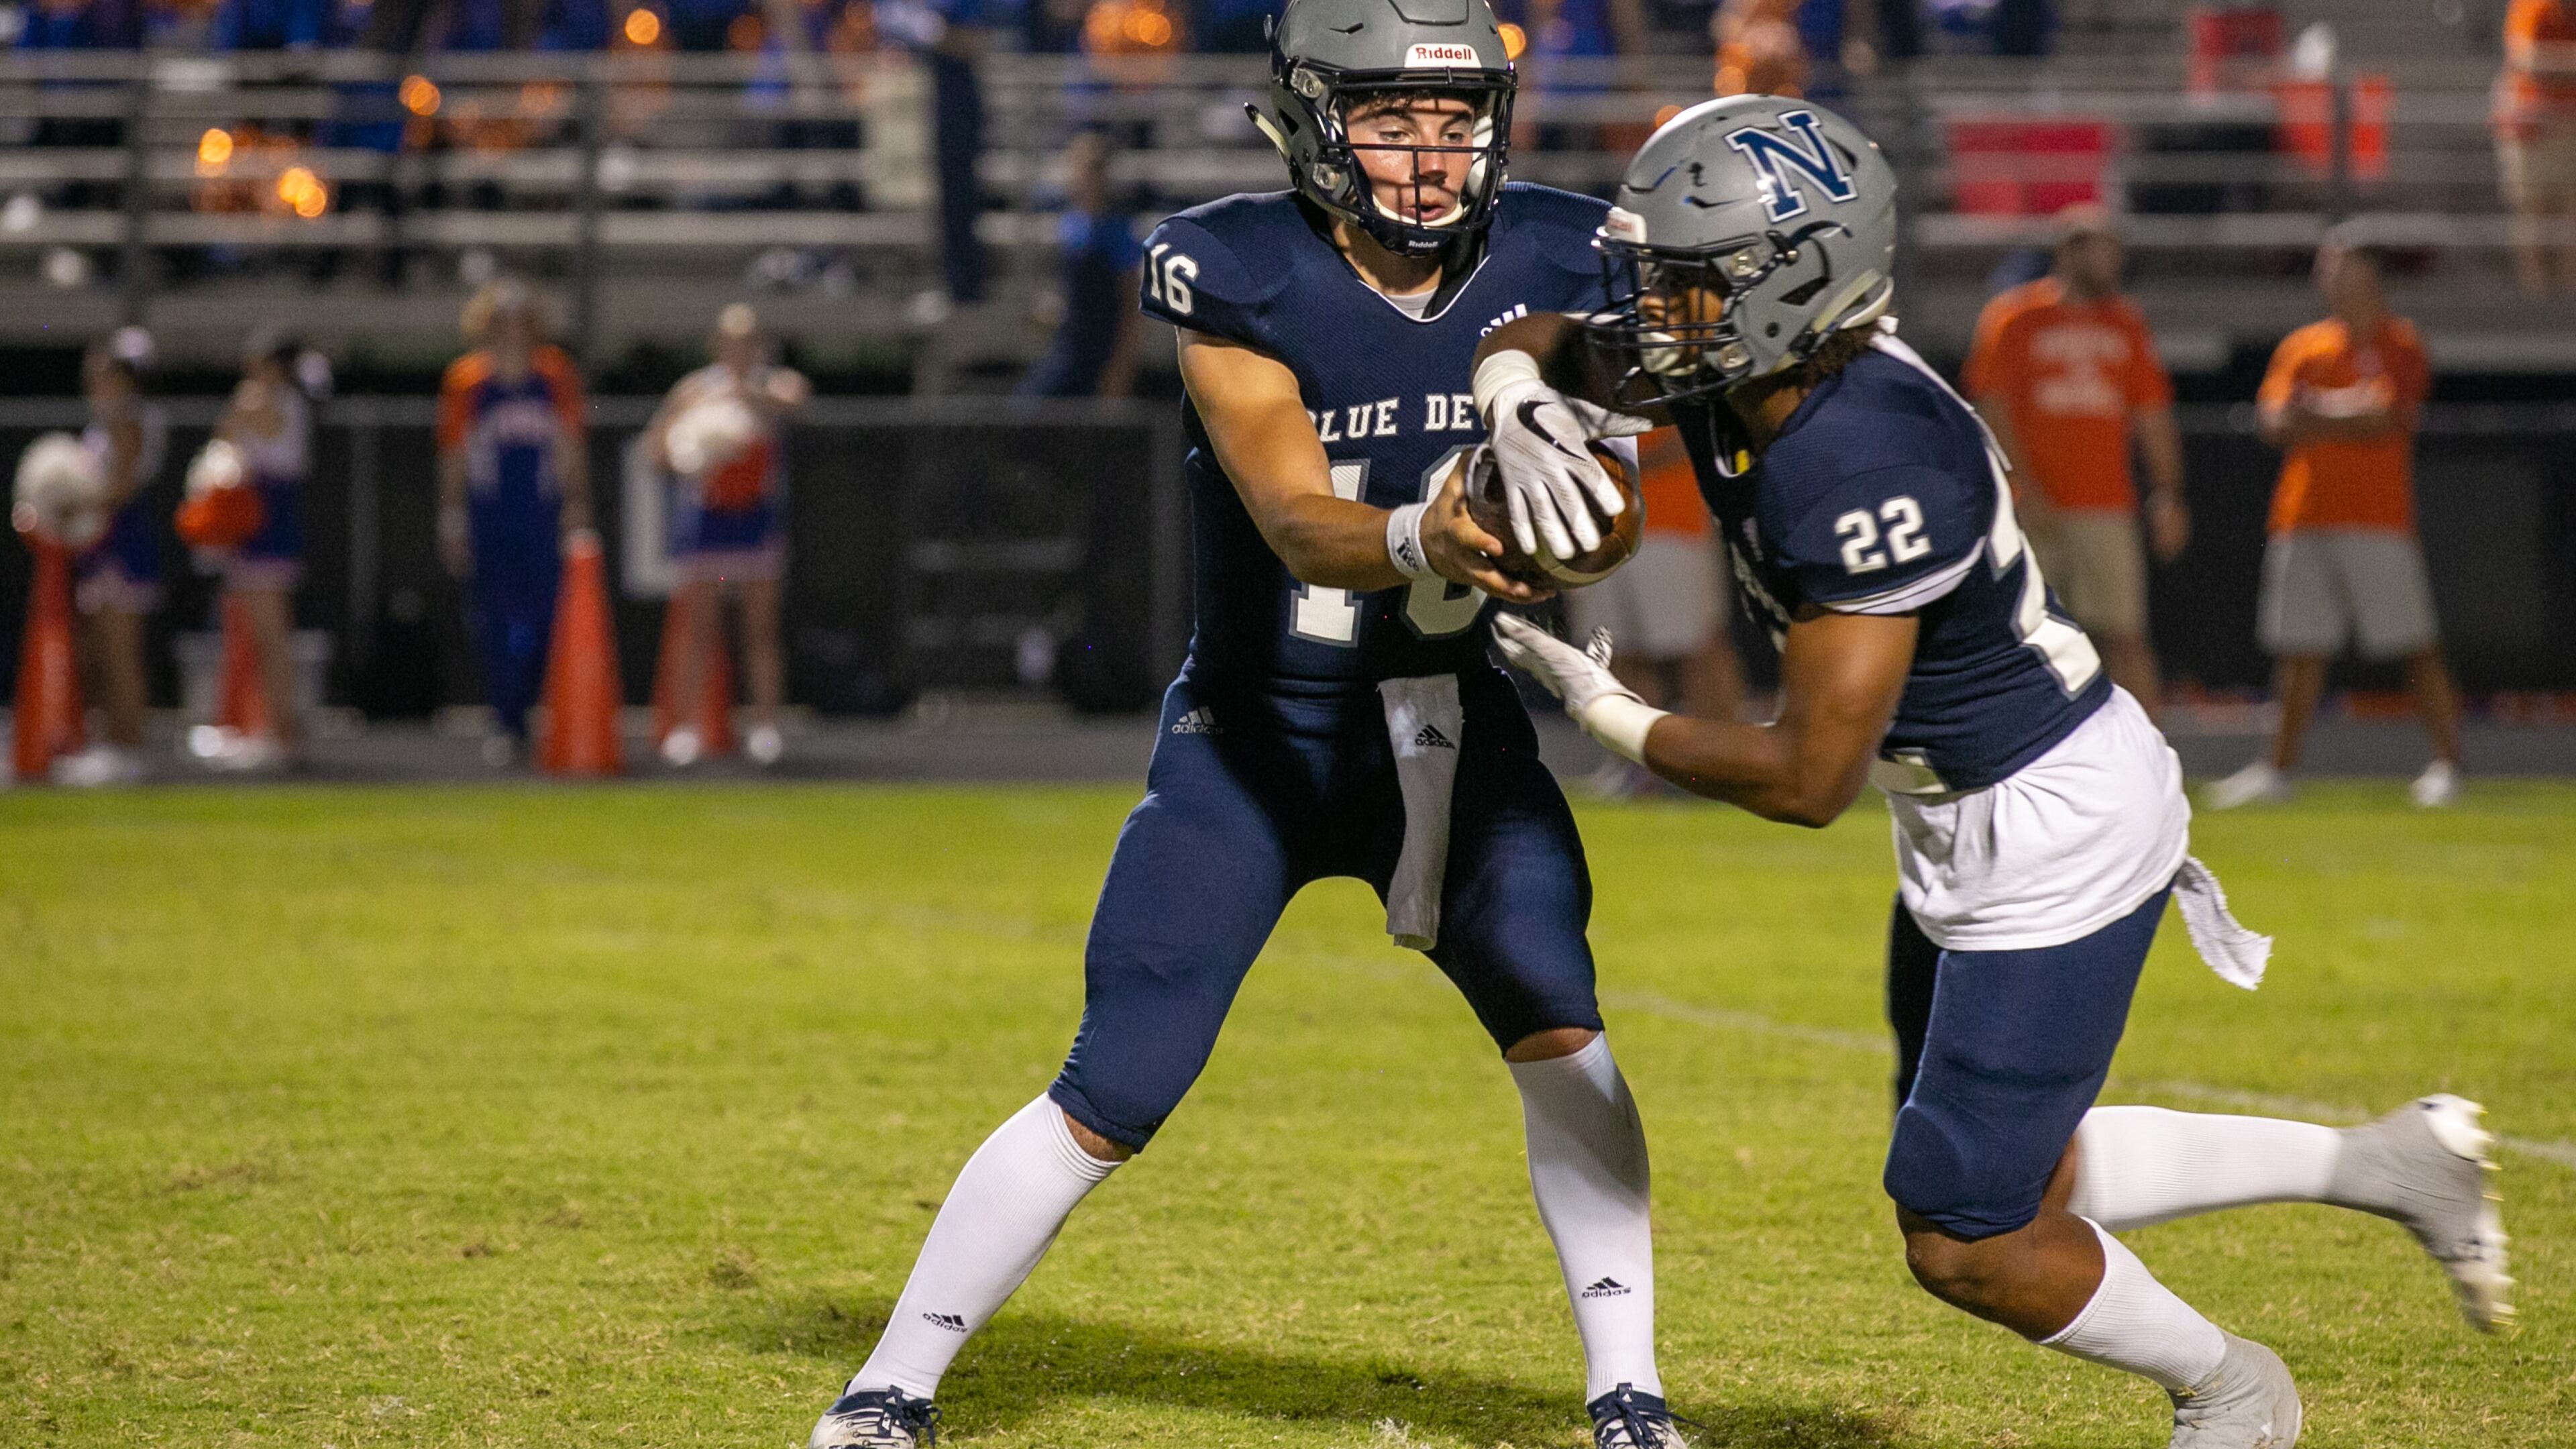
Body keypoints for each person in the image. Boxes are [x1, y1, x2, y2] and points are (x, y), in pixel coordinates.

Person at [1474, 95, 2512, 1449]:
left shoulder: (1864, 453)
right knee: (2005, 1161)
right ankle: (2389, 1166)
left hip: (2052, 824)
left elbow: (1805, 777)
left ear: (1789, 284)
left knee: (1963, 1230)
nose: (1651, 312)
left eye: (1687, 281)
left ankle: (2235, 1388)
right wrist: (1512, 398)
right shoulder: (1758, 356)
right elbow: (1545, 334)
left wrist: (1604, 707)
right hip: (1962, 810)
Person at [808, 2, 1686, 1446]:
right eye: (1391, 117)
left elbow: (1605, 509)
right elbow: (1294, 517)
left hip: (1460, 729)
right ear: (1306, 119)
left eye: (1455, 117)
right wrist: (1438, 525)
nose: (1428, 150)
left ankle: (1630, 1395)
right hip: (1259, 738)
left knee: (1563, 1029)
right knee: (1116, 1083)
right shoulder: (1234, 265)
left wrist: (1578, 516)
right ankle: (890, 1386)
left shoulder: (1561, 253)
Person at [2204, 239, 2461, 812]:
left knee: (2414, 646)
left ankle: (2447, 765)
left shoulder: (2400, 341)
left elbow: (2385, 415)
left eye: (2342, 265)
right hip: (2303, 514)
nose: (2330, 276)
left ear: (2372, 273)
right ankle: (2277, 771)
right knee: (2297, 650)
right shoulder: (2304, 344)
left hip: (2378, 518)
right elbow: (2274, 421)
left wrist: (2314, 412)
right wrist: (2343, 412)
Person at [1964, 204, 2188, 712]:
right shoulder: (2015, 317)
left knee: (2123, 636)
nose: (2113, 260)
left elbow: (2151, 415)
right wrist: (2026, 490)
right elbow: (1992, 409)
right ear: (2069, 252)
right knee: (2023, 637)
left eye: (2116, 250)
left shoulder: (2126, 323)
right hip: (2032, 506)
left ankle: (2146, 757)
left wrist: (2168, 493)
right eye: (2101, 249)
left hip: (2105, 502)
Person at [645, 303, 808, 768]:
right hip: (708, 523)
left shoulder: (774, 386)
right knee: (698, 629)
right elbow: (657, 450)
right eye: (731, 343)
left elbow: (797, 402)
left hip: (755, 520)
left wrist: (743, 401)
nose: (739, 351)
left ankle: (765, 727)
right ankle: (687, 727)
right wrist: (692, 443)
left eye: (749, 342)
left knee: (760, 630)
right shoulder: (695, 390)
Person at [437, 280, 593, 765]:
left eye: (519, 321)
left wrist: (576, 504)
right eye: (500, 322)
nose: (510, 332)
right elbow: (455, 455)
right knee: (494, 620)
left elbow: (569, 446)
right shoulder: (467, 381)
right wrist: (452, 516)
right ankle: (508, 719)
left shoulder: (554, 376)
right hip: (491, 514)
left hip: (540, 514)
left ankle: (541, 710)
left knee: (547, 616)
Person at [1563, 425, 1744, 797]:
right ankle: (1635, 769)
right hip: (1596, 527)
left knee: (1698, 652)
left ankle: (1729, 766)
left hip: (1669, 522)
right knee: (1620, 653)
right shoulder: (1574, 370)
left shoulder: (1662, 370)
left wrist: (1610, 465)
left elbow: (1695, 434)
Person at [54, 329, 166, 788]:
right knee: (96, 650)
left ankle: (129, 747)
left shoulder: (128, 420)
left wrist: (74, 503)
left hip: (121, 540)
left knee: (120, 653)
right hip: (101, 540)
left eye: (103, 375)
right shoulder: (107, 420)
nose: (94, 383)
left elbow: (121, 486)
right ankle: (109, 744)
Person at [205, 326, 315, 772]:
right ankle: (267, 726)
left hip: (271, 516)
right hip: (251, 516)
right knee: (255, 635)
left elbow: (244, 423)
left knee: (273, 636)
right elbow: (225, 438)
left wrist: (246, 405)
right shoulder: (263, 400)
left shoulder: (284, 403)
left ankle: (285, 735)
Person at [1016, 130, 1144, 399]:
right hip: (1069, 348)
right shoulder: (1071, 224)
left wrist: (1119, 371)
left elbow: (1130, 306)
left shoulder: (1117, 231)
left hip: (1098, 355)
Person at [2496, 0, 2576, 297]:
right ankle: (2535, 293)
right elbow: (2526, 59)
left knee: (2572, 211)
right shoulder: (2535, 6)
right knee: (2533, 210)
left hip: (2570, 127)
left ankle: (2570, 292)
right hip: (2532, 127)